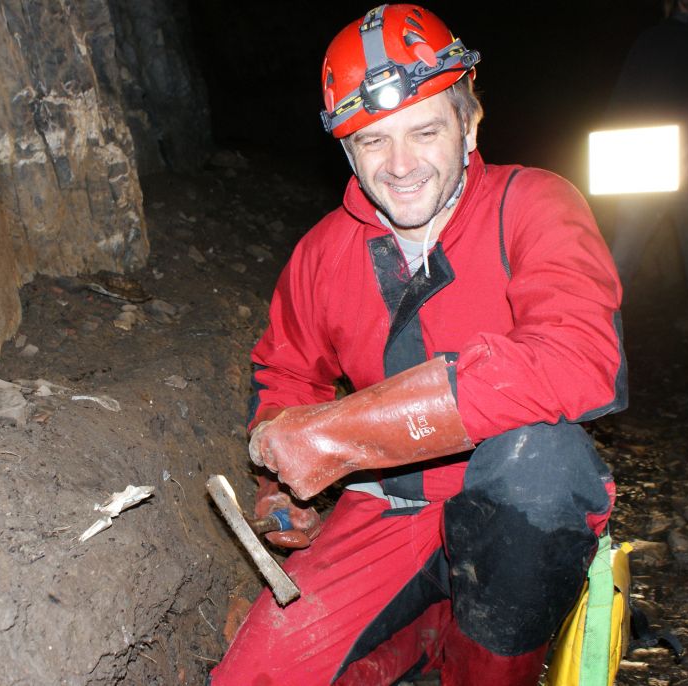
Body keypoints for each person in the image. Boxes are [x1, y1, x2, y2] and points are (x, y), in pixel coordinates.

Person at [209, 4, 627, 685]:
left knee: (545, 465)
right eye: (372, 141)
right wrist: (278, 483)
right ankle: (423, 634)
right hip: (386, 508)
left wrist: (337, 433)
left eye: (425, 131)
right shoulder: (322, 254)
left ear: (469, 126)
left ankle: (482, 661)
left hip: (509, 512)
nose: (400, 165)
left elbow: (577, 357)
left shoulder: (534, 206)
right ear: (348, 152)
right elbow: (285, 373)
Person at [604, 0, 688, 383]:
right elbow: (622, 103)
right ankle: (597, 369)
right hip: (644, 167)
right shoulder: (652, 39)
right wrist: (611, 156)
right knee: (614, 272)